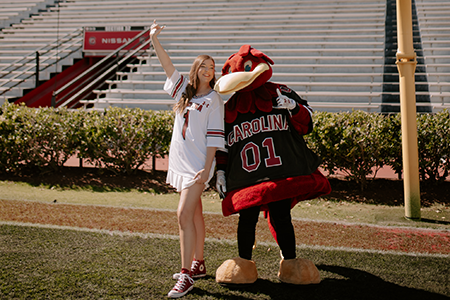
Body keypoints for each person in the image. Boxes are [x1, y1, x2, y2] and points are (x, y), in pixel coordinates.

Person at [150, 20, 225, 298]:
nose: (208, 71)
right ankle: (199, 263)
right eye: (204, 66)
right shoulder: (184, 90)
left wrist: (206, 171)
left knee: (182, 215)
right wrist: (154, 39)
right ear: (196, 70)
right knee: (194, 214)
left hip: (198, 165)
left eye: (212, 67)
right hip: (181, 163)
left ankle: (186, 275)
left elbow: (216, 139)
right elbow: (166, 64)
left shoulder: (215, 99)